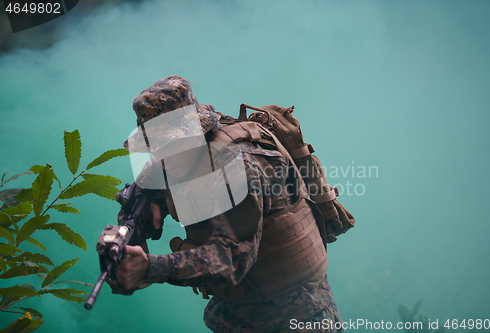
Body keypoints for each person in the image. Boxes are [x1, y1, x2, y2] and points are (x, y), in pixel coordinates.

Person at [115, 75, 344, 333]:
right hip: (236, 316)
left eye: (169, 143)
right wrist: (126, 239)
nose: (160, 156)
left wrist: (149, 267)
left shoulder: (240, 167)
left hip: (299, 314)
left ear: (196, 132)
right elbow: (136, 204)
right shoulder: (174, 157)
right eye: (153, 145)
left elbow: (231, 261)